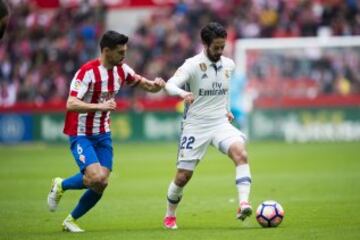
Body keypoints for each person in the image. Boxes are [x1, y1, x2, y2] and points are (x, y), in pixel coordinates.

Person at [47, 30, 165, 232]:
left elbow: (146, 85)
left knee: (101, 182)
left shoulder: (123, 70)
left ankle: (70, 220)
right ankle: (61, 185)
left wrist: (157, 85)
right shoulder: (86, 72)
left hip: (103, 133)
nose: (124, 56)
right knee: (96, 177)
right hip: (81, 132)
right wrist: (99, 107)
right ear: (106, 51)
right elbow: (71, 103)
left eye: (125, 51)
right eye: (120, 52)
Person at [163, 22, 252, 229]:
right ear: (205, 44)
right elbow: (169, 85)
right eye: (216, 47)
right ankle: (170, 215)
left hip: (220, 123)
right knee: (183, 176)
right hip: (196, 125)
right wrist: (182, 93)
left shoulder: (229, 64)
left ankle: (243, 203)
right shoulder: (192, 65)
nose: (220, 51)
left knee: (241, 153)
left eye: (223, 47)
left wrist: (227, 108)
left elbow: (225, 89)